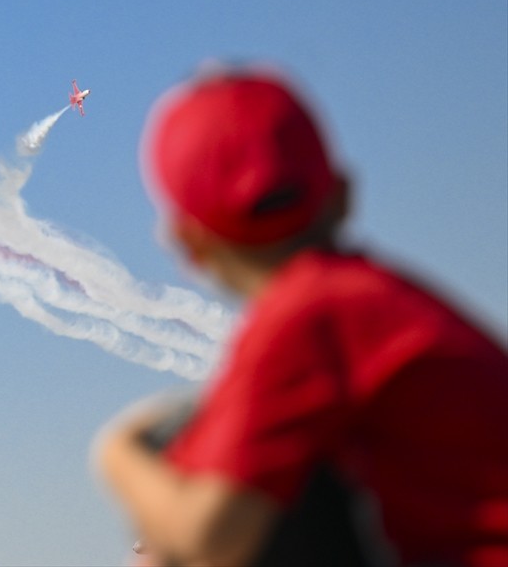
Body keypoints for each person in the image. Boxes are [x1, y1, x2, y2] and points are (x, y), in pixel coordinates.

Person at [93, 67, 508, 567]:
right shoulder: (372, 297)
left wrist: (117, 453)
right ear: (342, 194)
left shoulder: (306, 313)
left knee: (171, 452)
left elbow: (213, 539)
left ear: (189, 242)